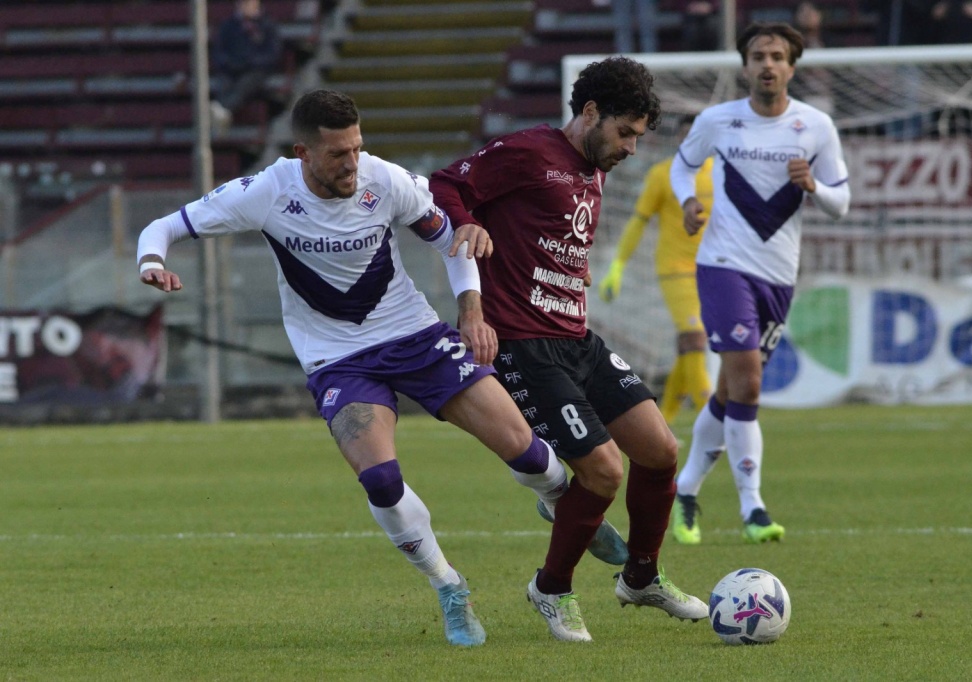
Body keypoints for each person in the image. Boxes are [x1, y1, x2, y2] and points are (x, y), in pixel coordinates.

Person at [135, 89, 628, 648]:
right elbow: (163, 227)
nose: (352, 163)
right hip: (337, 357)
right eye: (337, 154)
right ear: (303, 153)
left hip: (413, 334)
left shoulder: (385, 179)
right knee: (380, 479)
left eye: (357, 148)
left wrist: (471, 310)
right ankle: (448, 585)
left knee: (524, 446)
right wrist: (152, 262)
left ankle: (557, 498)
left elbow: (455, 238)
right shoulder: (266, 191)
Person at [430, 56, 709, 643]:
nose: (632, 147)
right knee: (604, 471)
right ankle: (551, 589)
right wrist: (464, 226)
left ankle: (641, 576)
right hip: (525, 346)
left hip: (577, 337)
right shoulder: (529, 152)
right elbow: (445, 183)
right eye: (625, 132)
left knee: (660, 451)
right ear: (590, 113)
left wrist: (564, 271)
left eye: (639, 135)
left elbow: (546, 232)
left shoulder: (593, 166)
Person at [668, 22, 850, 545]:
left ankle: (684, 491)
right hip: (723, 266)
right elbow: (682, 167)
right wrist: (687, 201)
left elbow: (842, 203)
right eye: (758, 55)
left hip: (778, 276)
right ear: (744, 66)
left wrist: (814, 185)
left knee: (730, 389)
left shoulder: (815, 126)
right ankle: (753, 509)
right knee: (748, 382)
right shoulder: (718, 121)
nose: (767, 64)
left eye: (777, 56)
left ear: (792, 66)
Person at [598, 151, 713, 425]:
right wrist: (617, 266)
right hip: (675, 270)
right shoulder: (664, 174)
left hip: (712, 269)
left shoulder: (719, 172)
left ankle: (665, 420)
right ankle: (711, 418)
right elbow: (639, 220)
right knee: (695, 337)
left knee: (689, 345)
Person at [210, 0, 282, 134]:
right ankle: (221, 117)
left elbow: (273, 53)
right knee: (224, 81)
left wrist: (251, 62)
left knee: (247, 81)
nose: (245, 7)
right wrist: (230, 63)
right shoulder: (228, 26)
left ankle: (223, 109)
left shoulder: (267, 25)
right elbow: (219, 51)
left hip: (257, 69)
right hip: (232, 68)